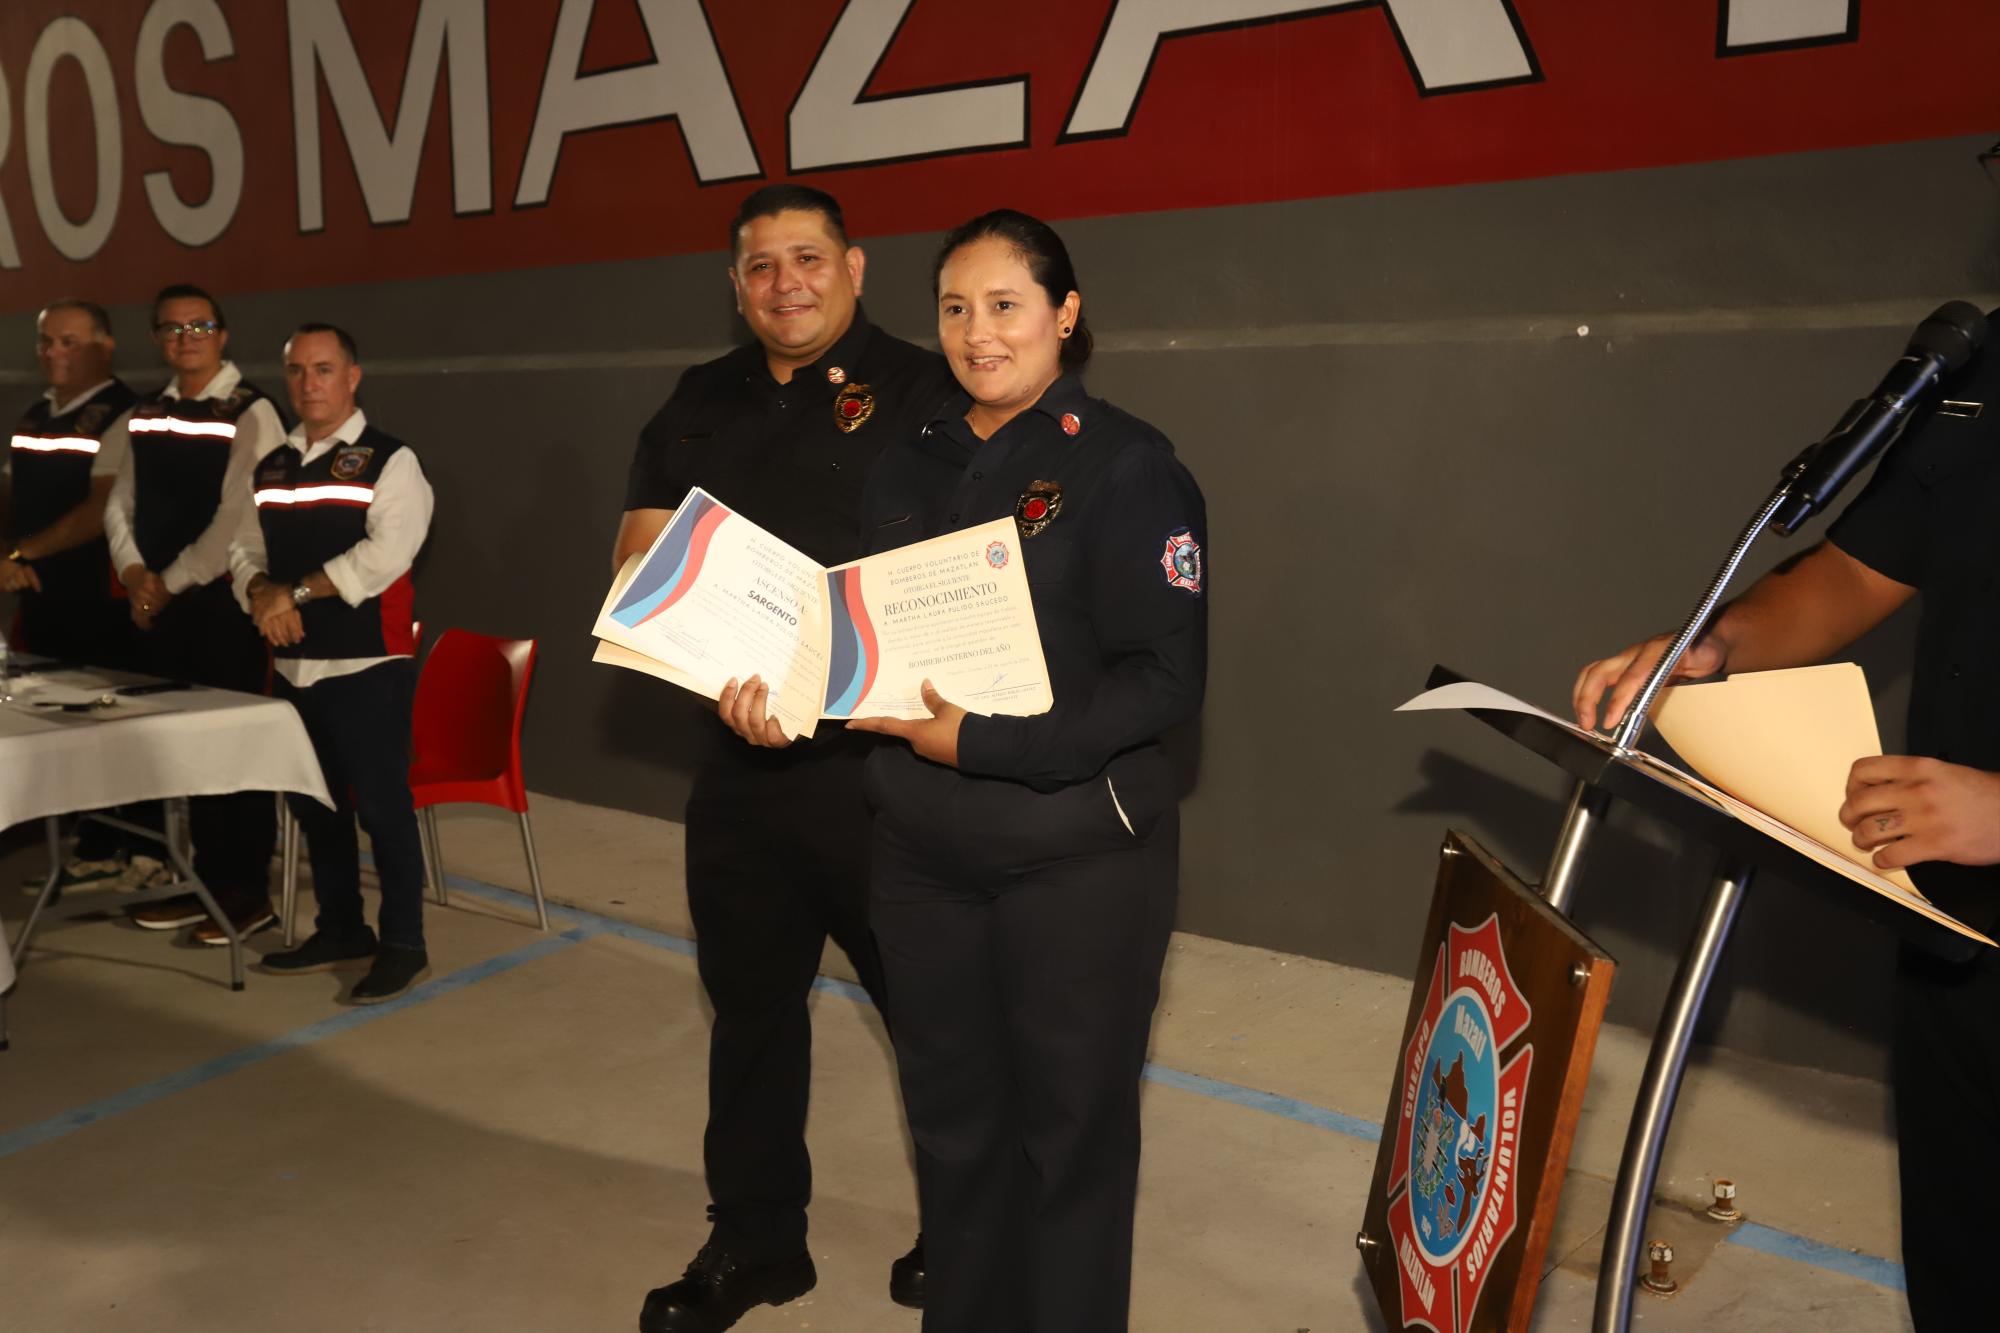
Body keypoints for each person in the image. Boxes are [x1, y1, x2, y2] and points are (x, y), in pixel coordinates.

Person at [1572, 310, 2000, 1331]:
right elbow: (1853, 570)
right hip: (1953, 925)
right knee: (1962, 1259)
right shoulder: (1975, 373)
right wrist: (1717, 645)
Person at [846, 210, 1209, 1333]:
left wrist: (989, 745)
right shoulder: (909, 454)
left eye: (1004, 304)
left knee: (1069, 1144)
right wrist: (778, 676)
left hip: (1073, 859)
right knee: (953, 1135)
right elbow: (859, 625)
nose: (976, 331)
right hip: (920, 856)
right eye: (954, 307)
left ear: (1063, 314)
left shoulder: (1127, 464)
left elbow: (1160, 681)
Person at [615, 184, 951, 1332]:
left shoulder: (923, 386)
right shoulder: (697, 398)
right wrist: (713, 671)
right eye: (760, 267)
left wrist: (822, 689)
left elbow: (951, 579)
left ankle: (965, 1230)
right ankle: (757, 1240)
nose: (784, 284)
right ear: (736, 284)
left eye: (806, 259)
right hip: (737, 770)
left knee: (930, 1011)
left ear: (855, 266)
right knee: (750, 1010)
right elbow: (642, 553)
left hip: (879, 774)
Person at [232, 324, 435, 1004]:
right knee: (316, 810)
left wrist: (293, 590)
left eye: (323, 369)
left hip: (367, 667)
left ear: (353, 376)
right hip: (293, 670)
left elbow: (386, 555)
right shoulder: (274, 465)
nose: (308, 383)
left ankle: (404, 941)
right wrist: (261, 592)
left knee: (382, 811)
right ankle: (342, 928)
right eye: (296, 370)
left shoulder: (391, 459)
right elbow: (243, 549)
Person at [102, 284, 282, 944]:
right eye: (172, 328)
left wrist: (165, 584)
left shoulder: (253, 411)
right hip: (162, 608)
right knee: (189, 754)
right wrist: (133, 575)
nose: (186, 337)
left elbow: (238, 519)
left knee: (233, 751)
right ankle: (206, 882)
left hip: (224, 610)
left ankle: (247, 892)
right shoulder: (145, 412)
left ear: (223, 334)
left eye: (199, 325)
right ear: (156, 338)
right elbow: (120, 501)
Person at [4, 300, 143, 893]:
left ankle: (141, 849)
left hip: (100, 599)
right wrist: (8, 557)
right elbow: (8, 498)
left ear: (105, 346)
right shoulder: (35, 415)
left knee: (118, 724)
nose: (55, 353)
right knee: (62, 726)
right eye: (46, 342)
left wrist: (20, 555)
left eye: (70, 341)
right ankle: (93, 846)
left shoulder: (124, 413)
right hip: (40, 601)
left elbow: (100, 510)